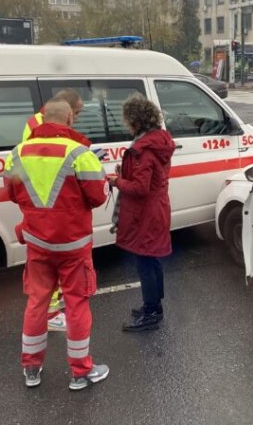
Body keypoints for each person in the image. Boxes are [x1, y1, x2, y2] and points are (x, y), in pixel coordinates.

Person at [5, 98, 110, 390]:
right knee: (76, 305)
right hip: (73, 246)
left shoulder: (16, 154)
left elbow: (12, 194)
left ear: (42, 118)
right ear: (70, 120)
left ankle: (31, 370)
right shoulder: (80, 153)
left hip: (38, 244)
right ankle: (80, 372)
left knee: (37, 303)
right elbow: (99, 196)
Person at [22, 88, 96, 333]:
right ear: (67, 112)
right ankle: (52, 312)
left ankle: (32, 363)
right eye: (77, 113)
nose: (77, 118)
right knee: (59, 272)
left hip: (37, 208)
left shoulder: (34, 122)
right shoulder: (44, 126)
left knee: (43, 271)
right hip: (54, 206)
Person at [107, 94, 175, 332]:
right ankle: (155, 307)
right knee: (152, 259)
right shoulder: (159, 141)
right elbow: (148, 179)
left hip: (145, 213)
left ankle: (150, 313)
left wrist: (117, 181)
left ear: (134, 120)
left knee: (145, 261)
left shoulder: (142, 149)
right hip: (157, 209)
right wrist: (125, 173)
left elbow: (139, 188)